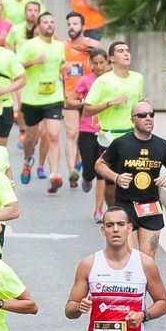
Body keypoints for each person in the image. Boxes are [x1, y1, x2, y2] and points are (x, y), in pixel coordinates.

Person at [95, 101, 166, 256]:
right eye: (142, 115)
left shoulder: (161, 145)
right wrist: (116, 177)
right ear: (133, 120)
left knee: (147, 261)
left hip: (151, 207)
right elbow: (99, 165)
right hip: (126, 206)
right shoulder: (121, 143)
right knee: (127, 258)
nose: (148, 118)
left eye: (151, 114)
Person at [17, 12, 66, 191]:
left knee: (53, 135)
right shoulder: (30, 45)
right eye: (45, 22)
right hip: (32, 99)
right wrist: (33, 62)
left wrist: (65, 67)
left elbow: (63, 64)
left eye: (52, 22)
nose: (49, 24)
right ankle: (28, 159)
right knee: (30, 137)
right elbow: (16, 65)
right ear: (38, 26)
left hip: (53, 98)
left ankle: (53, 175)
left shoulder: (60, 46)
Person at [68, 47, 110, 221]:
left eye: (102, 62)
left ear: (108, 62)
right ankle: (85, 177)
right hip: (87, 130)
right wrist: (84, 102)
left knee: (101, 171)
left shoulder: (111, 81)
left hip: (106, 131)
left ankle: (98, 210)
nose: (99, 66)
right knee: (89, 169)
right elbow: (70, 100)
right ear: (90, 63)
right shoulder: (86, 80)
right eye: (96, 63)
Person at [62, 11, 100, 188]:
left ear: (83, 27)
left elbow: (103, 62)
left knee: (84, 137)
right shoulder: (62, 48)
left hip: (90, 100)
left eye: (75, 24)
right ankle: (72, 171)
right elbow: (56, 69)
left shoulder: (91, 47)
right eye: (69, 24)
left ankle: (81, 159)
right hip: (70, 98)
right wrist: (62, 67)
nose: (71, 27)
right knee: (71, 133)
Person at [83, 40, 144, 148]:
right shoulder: (102, 81)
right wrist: (110, 103)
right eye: (120, 51)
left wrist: (143, 104)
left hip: (133, 135)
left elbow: (137, 102)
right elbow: (86, 111)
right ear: (111, 58)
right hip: (109, 138)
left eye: (127, 51)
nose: (126, 54)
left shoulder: (138, 78)